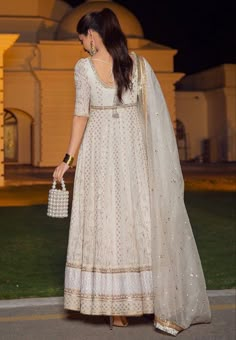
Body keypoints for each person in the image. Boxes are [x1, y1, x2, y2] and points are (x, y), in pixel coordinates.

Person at [53, 8, 211, 336]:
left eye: (82, 36)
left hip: (106, 153)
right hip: (128, 153)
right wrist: (69, 160)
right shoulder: (137, 65)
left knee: (111, 220)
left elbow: (81, 115)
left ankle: (120, 307)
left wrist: (67, 159)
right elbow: (147, 116)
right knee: (133, 219)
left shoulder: (89, 68)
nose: (82, 43)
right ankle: (135, 301)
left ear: (93, 35)